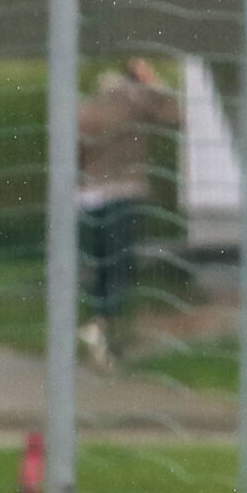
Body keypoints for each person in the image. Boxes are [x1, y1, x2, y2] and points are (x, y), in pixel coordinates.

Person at [75, 57, 181, 368]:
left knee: (103, 265)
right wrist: (155, 84)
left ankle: (99, 326)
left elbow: (77, 152)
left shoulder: (88, 107)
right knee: (121, 265)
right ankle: (104, 330)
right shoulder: (135, 103)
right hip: (123, 192)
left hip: (90, 195)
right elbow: (177, 117)